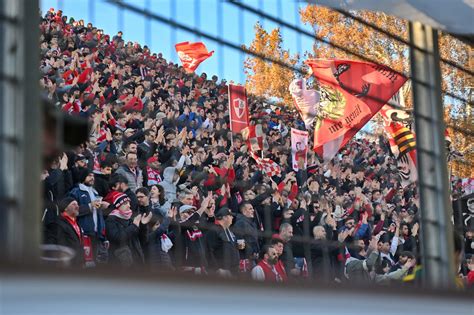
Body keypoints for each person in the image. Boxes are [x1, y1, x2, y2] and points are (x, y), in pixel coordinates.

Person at [105, 191, 152, 267]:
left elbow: (143, 240)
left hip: (137, 262)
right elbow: (118, 239)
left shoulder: (130, 219)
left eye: (129, 203)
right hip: (120, 265)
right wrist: (134, 226)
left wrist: (143, 225)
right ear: (118, 206)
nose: (129, 206)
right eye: (125, 203)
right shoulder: (111, 220)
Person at [206, 207, 240, 277]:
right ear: (225, 217)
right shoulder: (214, 230)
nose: (232, 218)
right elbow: (209, 250)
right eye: (231, 216)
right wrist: (216, 268)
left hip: (233, 269)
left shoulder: (229, 230)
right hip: (222, 270)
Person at [54, 197, 84, 267]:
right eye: (74, 204)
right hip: (66, 264)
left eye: (77, 204)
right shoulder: (58, 223)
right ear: (65, 208)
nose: (77, 206)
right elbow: (60, 245)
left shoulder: (77, 223)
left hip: (78, 264)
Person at [233, 202, 260, 271]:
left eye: (253, 208)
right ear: (244, 212)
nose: (253, 210)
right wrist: (251, 252)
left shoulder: (252, 223)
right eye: (250, 209)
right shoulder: (240, 223)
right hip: (245, 259)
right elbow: (239, 241)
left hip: (253, 258)